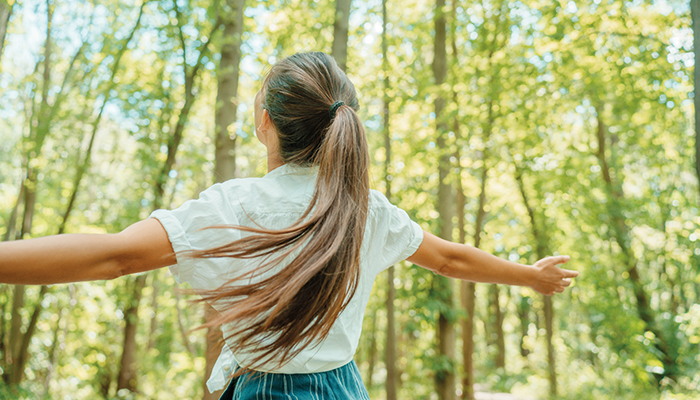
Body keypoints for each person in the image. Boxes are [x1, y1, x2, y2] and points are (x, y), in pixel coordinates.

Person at [0, 52, 578, 399]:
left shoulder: (230, 207)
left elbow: (114, 256)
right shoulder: (366, 209)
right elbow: (451, 259)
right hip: (343, 387)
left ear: (265, 122)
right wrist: (529, 276)